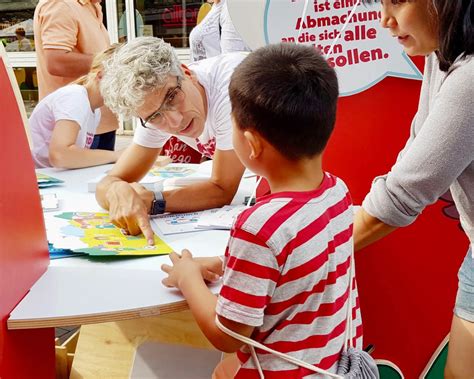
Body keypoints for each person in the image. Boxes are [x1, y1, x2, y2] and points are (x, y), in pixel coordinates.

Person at [161, 43, 363, 378]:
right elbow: (297, 262)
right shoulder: (337, 192)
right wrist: (228, 266)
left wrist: (187, 278)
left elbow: (228, 335)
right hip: (331, 364)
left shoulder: (260, 227)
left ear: (252, 144)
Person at [356, 1, 473, 378]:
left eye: (398, 1)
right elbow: (417, 147)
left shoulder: (470, 78)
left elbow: (402, 195)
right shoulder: (441, 56)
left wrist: (296, 252)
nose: (385, 20)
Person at [97, 37, 247, 245]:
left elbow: (222, 189)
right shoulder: (150, 107)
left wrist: (149, 200)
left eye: (172, 97)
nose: (175, 121)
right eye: (155, 116)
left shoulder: (233, 89)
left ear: (186, 73)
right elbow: (109, 181)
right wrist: (117, 192)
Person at [33, 0, 119, 150]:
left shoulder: (91, 5)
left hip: (98, 121)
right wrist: (118, 62)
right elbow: (57, 61)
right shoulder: (60, 4)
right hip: (75, 125)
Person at [30, 45, 123, 169]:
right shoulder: (75, 97)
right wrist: (117, 156)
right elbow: (60, 155)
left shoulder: (95, 110)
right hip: (37, 177)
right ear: (100, 76)